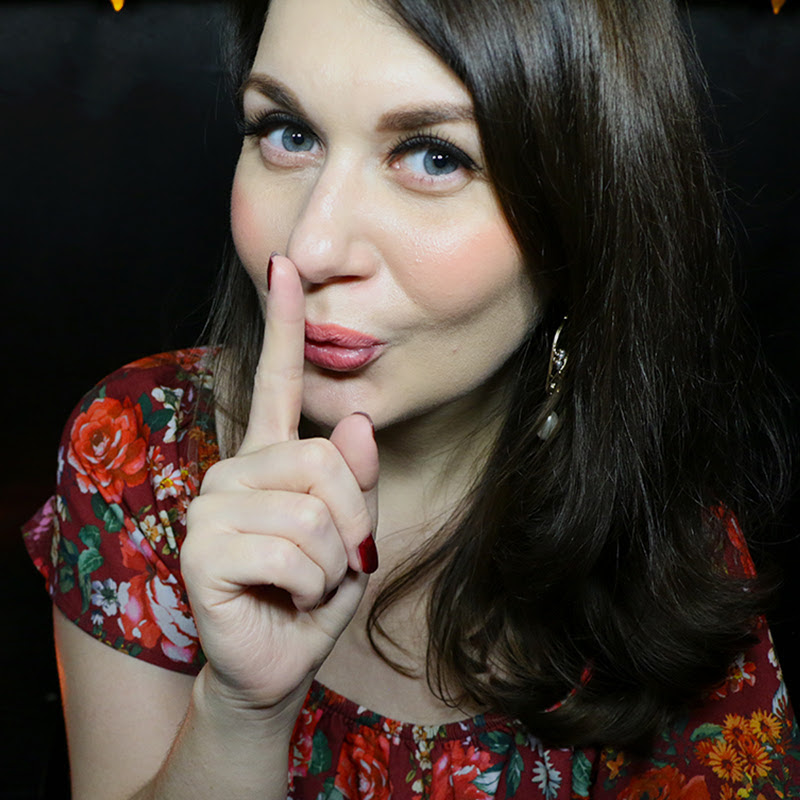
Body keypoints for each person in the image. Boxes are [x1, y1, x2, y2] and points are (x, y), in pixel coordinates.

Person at [23, 0, 799, 797]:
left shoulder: (668, 548)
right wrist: (242, 712)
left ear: (587, 213)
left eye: (434, 157)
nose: (310, 247)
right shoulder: (140, 450)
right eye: (289, 133)